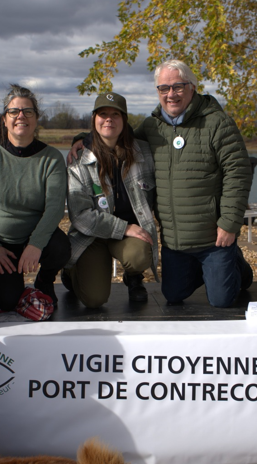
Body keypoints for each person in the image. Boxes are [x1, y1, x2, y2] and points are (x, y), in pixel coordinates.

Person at [69, 60, 253, 308]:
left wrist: (230, 222)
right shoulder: (152, 127)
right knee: (173, 294)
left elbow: (238, 172)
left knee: (221, 299)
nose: (171, 94)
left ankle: (234, 265)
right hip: (175, 241)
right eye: (164, 88)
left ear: (192, 87)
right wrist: (84, 138)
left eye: (178, 87)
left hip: (212, 234)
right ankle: (214, 272)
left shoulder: (218, 123)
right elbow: (112, 133)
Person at [0, 84, 70, 316]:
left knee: (61, 248)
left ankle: (44, 281)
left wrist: (36, 245)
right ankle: (13, 289)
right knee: (5, 301)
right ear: (4, 119)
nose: (21, 116)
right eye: (14, 112)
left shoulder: (51, 158)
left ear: (36, 118)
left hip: (34, 238)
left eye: (28, 111)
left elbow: (54, 208)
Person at [66, 92, 157, 307]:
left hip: (128, 234)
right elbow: (80, 217)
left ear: (124, 120)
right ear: (94, 119)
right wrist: (124, 228)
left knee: (139, 256)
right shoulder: (78, 160)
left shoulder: (144, 152)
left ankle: (133, 276)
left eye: (115, 114)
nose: (109, 119)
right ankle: (71, 273)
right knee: (94, 300)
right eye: (103, 114)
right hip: (92, 235)